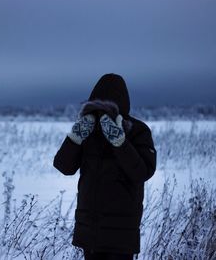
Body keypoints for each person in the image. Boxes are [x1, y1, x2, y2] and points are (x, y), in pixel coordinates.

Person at [53, 73, 157, 260]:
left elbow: (141, 172)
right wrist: (76, 136)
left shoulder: (137, 130)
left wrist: (119, 140)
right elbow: (64, 166)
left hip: (121, 233)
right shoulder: (88, 130)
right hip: (89, 229)